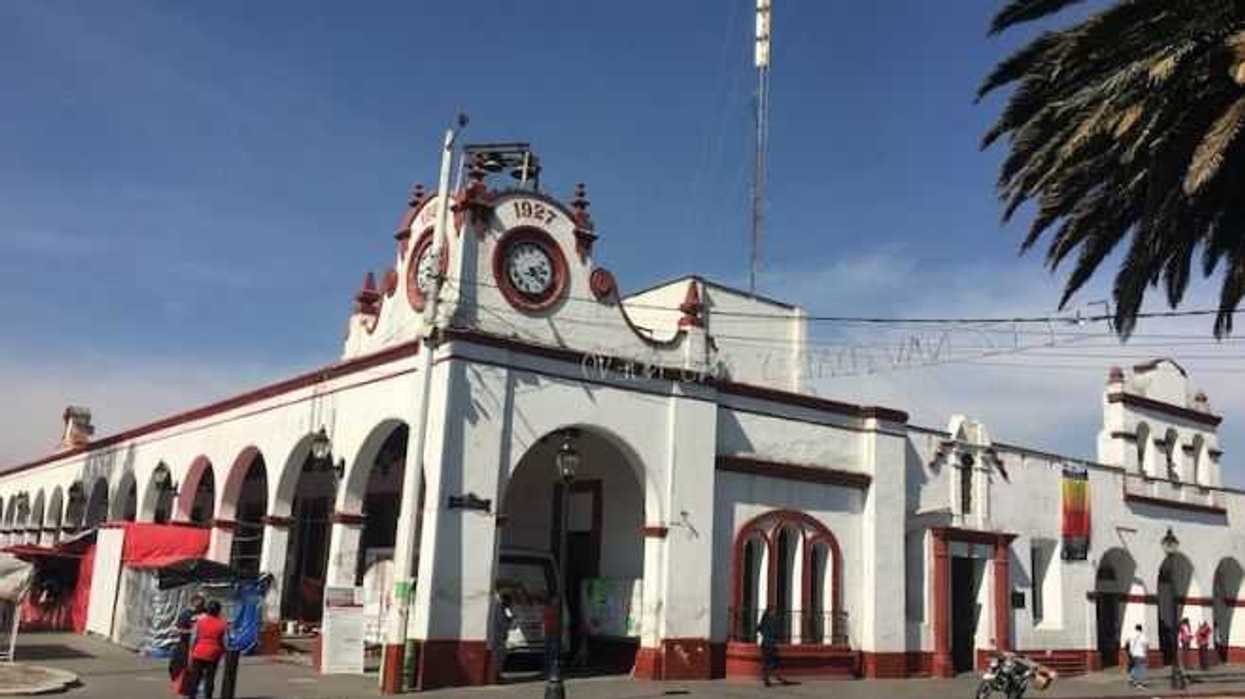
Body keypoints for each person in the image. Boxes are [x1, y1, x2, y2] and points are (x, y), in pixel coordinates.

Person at [187, 600, 228, 699]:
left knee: (195, 678)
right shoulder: (222, 624)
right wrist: (223, 652)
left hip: (199, 652)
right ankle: (208, 696)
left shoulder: (200, 622)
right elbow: (225, 641)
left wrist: (190, 652)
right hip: (213, 654)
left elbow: (193, 638)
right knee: (210, 679)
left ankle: (192, 697)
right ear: (218, 611)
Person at [170, 594, 205, 697]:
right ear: (193, 603)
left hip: (200, 647)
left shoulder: (206, 613)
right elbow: (177, 629)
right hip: (186, 646)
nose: (200, 606)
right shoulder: (186, 614)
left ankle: (195, 692)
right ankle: (183, 691)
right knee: (183, 670)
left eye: (201, 604)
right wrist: (190, 632)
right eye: (198, 604)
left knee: (198, 671)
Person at [490, 593, 514, 682]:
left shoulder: (500, 607)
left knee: (500, 656)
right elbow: (503, 623)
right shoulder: (500, 608)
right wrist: (509, 621)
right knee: (499, 657)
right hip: (498, 637)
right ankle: (497, 675)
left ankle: (498, 674)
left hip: (499, 636)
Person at [757, 608, 782, 687]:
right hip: (771, 644)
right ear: (769, 613)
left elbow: (759, 629)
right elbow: (775, 633)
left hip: (765, 644)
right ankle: (768, 678)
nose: (774, 613)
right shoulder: (772, 622)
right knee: (772, 662)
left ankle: (767, 677)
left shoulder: (763, 622)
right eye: (773, 611)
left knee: (767, 662)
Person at [1126, 624, 1149, 688]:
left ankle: (1133, 679)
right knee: (1141, 668)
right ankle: (1140, 682)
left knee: (1135, 667)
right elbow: (1146, 644)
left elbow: (1127, 642)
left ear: (1135, 629)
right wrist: (1145, 651)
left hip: (1133, 654)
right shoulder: (1143, 636)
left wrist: (1130, 651)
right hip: (1141, 654)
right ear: (1141, 629)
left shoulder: (1131, 635)